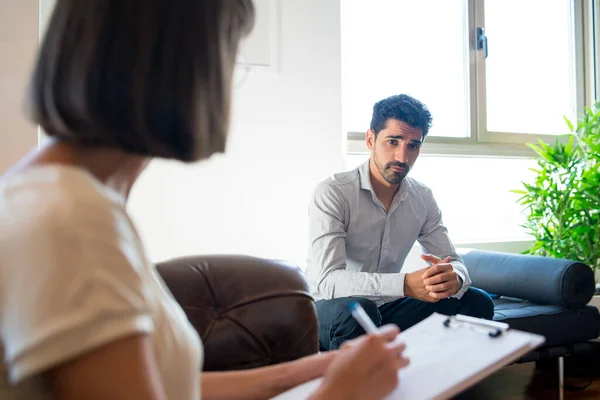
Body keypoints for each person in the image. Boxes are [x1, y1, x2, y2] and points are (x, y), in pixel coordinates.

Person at [0, 1, 409, 399]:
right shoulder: (73, 218)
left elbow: (167, 388)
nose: (230, 76)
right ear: (178, 67)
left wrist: (315, 370)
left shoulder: (55, 197)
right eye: (229, 53)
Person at [306, 94, 495, 351]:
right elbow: (328, 281)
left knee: (476, 302)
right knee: (359, 310)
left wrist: (455, 279)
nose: (402, 157)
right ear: (371, 139)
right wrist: (405, 284)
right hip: (330, 309)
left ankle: (439, 383)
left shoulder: (422, 197)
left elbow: (454, 261)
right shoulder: (333, 192)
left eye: (413, 145)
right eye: (392, 141)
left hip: (388, 308)